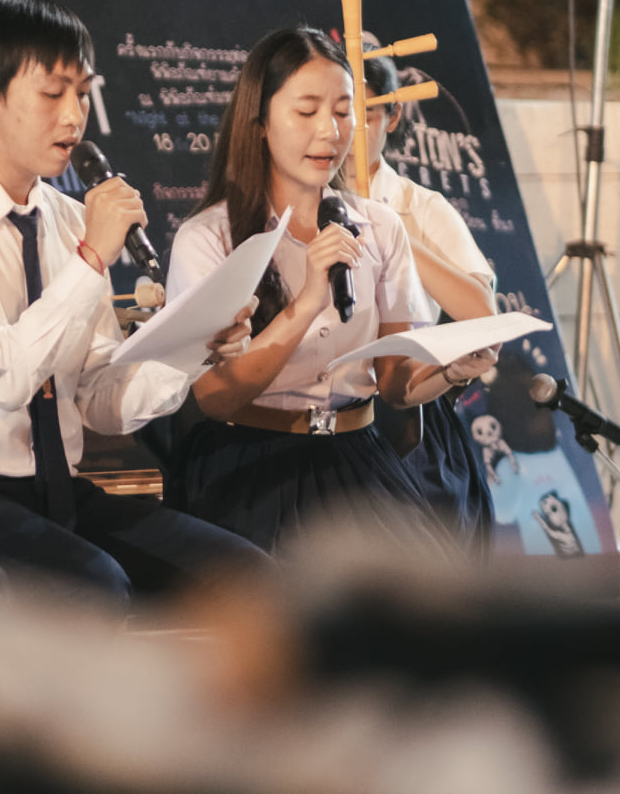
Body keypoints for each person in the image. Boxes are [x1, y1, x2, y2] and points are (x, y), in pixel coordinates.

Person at [0, 0, 267, 607]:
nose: (75, 116)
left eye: (83, 92)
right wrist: (91, 259)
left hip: (56, 487)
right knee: (96, 587)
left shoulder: (72, 220)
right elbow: (0, 378)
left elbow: (101, 403)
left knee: (247, 577)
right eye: (53, 94)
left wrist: (194, 347)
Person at [164, 27, 498, 553]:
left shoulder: (381, 227)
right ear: (259, 121)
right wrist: (306, 303)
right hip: (250, 463)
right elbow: (216, 396)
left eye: (345, 112)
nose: (330, 131)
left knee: (422, 586)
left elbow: (395, 384)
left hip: (357, 454)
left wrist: (451, 370)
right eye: (307, 111)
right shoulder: (209, 237)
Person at [360, 48, 500, 549]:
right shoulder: (300, 201)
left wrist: (388, 228)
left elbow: (482, 310)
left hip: (408, 419)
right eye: (334, 112)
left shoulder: (420, 207)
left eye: (366, 113)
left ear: (393, 115)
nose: (348, 130)